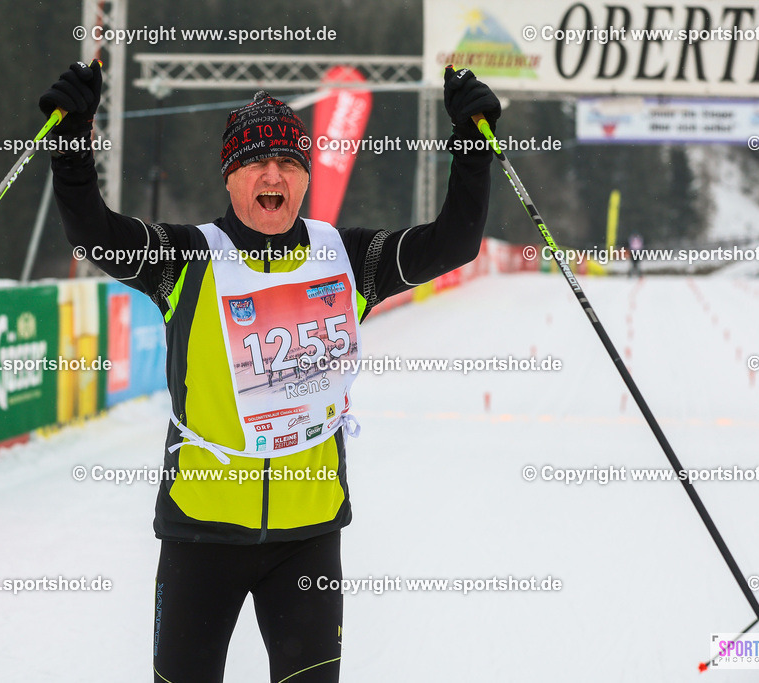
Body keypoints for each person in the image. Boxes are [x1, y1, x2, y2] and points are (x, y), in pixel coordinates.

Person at [39, 60, 500, 683]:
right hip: (200, 533)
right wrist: (73, 138)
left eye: (287, 162)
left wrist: (472, 145)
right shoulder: (186, 259)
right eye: (255, 162)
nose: (272, 175)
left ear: (305, 177)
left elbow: (453, 243)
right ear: (230, 179)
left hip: (308, 535)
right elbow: (94, 233)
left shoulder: (347, 257)